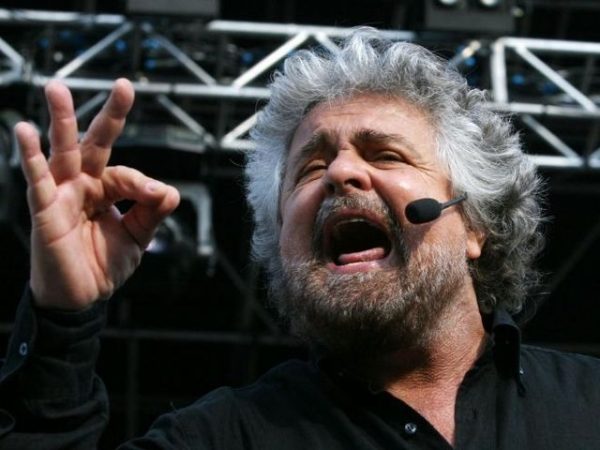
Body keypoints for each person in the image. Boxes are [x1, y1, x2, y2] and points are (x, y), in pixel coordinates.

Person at [1, 28, 599, 450]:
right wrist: (62, 318)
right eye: (310, 168)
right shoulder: (220, 438)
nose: (340, 172)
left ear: (473, 224)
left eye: (384, 154)